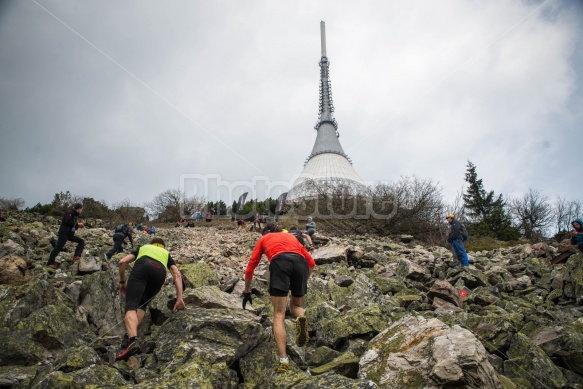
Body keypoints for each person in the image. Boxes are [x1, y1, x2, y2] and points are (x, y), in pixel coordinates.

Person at [242, 223, 316, 373]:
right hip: (301, 264)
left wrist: (247, 291)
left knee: (278, 314)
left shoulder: (265, 238)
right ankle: (300, 318)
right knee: (295, 307)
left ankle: (284, 361)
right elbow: (312, 263)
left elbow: (251, 265)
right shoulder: (290, 236)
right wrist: (302, 282)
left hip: (280, 262)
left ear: (265, 233)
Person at [116, 237, 186, 360]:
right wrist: (179, 298)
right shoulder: (166, 254)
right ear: (163, 247)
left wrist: (122, 282)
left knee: (131, 305)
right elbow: (177, 274)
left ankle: (133, 340)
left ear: (152, 244)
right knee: (142, 304)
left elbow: (122, 262)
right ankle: (129, 335)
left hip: (142, 266)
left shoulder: (143, 248)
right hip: (160, 273)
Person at [46, 203, 85, 269]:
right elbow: (67, 221)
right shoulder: (70, 212)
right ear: (79, 208)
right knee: (58, 247)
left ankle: (77, 256)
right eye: (81, 209)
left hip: (69, 234)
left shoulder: (75, 216)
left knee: (81, 241)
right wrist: (77, 224)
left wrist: (77, 226)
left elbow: (73, 226)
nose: (81, 211)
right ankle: (50, 262)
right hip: (64, 233)